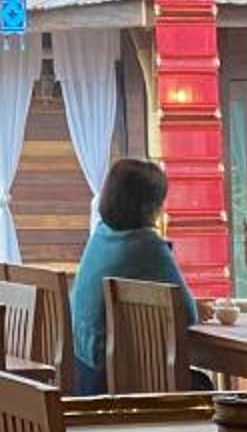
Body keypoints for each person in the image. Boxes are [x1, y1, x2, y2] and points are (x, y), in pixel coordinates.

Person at [68, 157, 192, 396]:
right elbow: (186, 314)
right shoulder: (148, 245)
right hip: (114, 382)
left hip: (81, 372)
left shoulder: (99, 236)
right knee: (204, 387)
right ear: (150, 206)